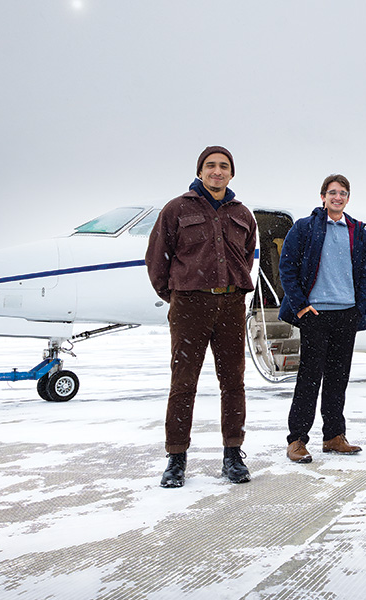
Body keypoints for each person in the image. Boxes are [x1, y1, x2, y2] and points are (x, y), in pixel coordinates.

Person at [145, 146, 257, 488]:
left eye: (224, 166)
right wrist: (178, 296)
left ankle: (232, 456)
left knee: (233, 383)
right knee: (183, 383)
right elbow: (156, 259)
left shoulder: (242, 214)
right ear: (200, 171)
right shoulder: (176, 209)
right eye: (211, 166)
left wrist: (230, 290)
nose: (217, 171)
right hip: (190, 306)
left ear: (232, 174)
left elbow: (247, 257)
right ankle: (176, 459)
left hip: (231, 306)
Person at [278, 174, 366, 463]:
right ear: (323, 196)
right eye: (332, 192)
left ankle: (333, 436)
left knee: (337, 379)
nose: (338, 197)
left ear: (348, 198)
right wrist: (301, 306)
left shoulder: (357, 230)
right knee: (309, 379)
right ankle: (296, 440)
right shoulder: (305, 228)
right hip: (316, 315)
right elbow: (287, 266)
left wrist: (360, 306)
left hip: (346, 314)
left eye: (343, 193)